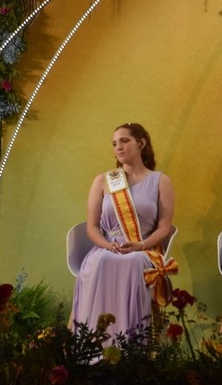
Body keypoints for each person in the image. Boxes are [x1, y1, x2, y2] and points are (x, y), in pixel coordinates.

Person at [72, 123, 176, 340]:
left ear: (141, 143)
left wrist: (139, 246)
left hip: (143, 249)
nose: (118, 147)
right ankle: (94, 343)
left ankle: (131, 344)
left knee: (133, 261)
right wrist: (108, 245)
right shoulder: (103, 181)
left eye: (124, 141)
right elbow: (91, 226)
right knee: (102, 261)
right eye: (114, 143)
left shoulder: (161, 181)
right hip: (107, 247)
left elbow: (164, 227)